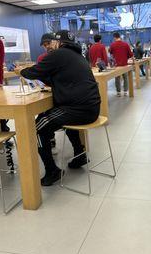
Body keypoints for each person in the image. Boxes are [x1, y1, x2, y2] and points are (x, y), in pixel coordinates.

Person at [20, 30, 101, 186]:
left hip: (78, 110)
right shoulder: (78, 56)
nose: (49, 46)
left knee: (37, 126)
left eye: (51, 43)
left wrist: (21, 71)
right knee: (61, 116)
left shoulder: (59, 54)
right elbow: (58, 78)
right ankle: (80, 154)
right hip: (92, 108)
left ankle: (52, 170)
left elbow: (33, 72)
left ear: (58, 42)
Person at [109, 32, 133, 96]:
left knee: (117, 78)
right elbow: (130, 54)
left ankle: (118, 92)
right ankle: (125, 91)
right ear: (119, 36)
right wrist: (126, 57)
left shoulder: (112, 45)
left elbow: (110, 52)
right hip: (124, 64)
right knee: (125, 77)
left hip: (116, 65)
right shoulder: (125, 44)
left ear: (114, 37)